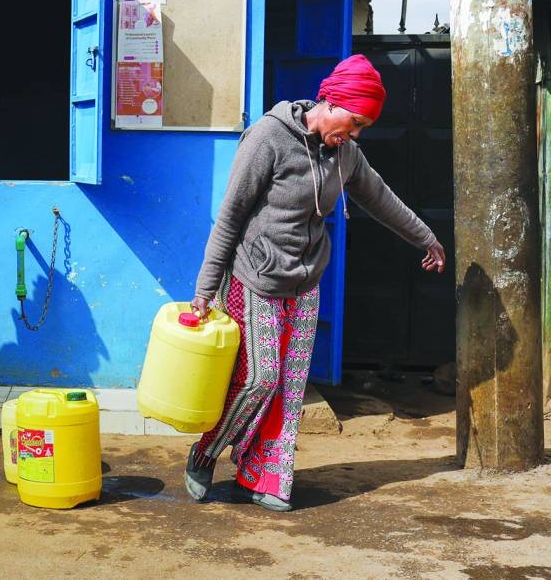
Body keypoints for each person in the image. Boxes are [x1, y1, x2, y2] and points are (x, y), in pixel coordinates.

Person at [184, 54, 446, 512]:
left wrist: (427, 237)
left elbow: (381, 199)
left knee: (289, 386)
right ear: (332, 102)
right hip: (256, 276)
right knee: (260, 379)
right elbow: (229, 217)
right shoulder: (268, 137)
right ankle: (207, 450)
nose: (357, 134)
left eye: (363, 127)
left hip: (307, 281)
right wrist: (205, 291)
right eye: (355, 122)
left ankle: (261, 477)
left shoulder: (345, 153)